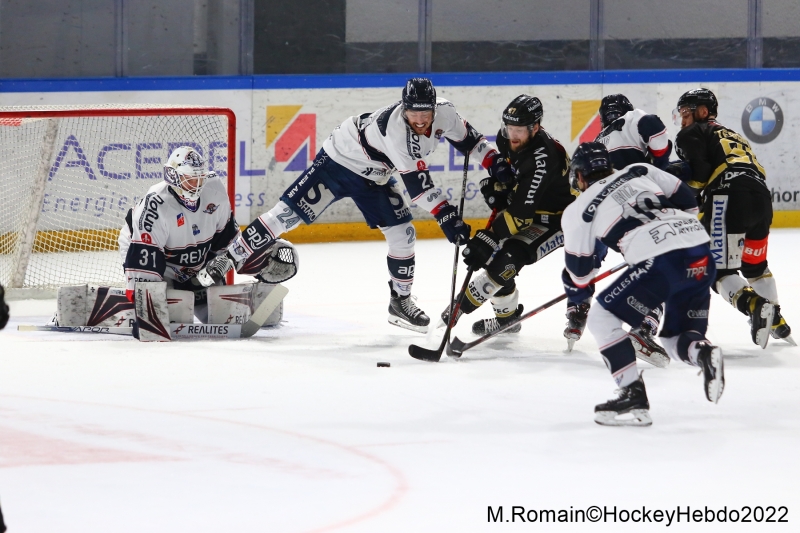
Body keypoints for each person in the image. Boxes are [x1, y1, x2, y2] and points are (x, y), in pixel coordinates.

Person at [223, 78, 512, 333]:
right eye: (414, 112)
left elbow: (472, 141)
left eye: (426, 112)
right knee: (286, 216)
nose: (421, 119)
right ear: (404, 107)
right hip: (339, 162)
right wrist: (447, 215)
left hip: (375, 175)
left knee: (403, 234)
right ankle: (227, 257)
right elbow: (418, 187)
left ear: (435, 107)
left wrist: (496, 162)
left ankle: (400, 302)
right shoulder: (395, 130)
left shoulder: (445, 112)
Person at [563, 142, 723, 426]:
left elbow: (580, 275)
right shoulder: (639, 169)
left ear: (579, 177)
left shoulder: (579, 209)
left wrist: (648, 246)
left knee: (601, 318)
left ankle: (631, 391)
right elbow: (688, 200)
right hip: (699, 249)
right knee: (676, 337)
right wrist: (666, 234)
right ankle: (704, 353)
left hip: (659, 260)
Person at [440, 94, 575, 338]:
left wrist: (489, 236)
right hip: (527, 209)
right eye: (509, 127)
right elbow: (514, 177)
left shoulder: (543, 158)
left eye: (519, 129)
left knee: (507, 259)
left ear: (535, 127)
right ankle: (507, 320)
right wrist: (499, 185)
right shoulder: (507, 138)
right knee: (492, 256)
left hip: (556, 220)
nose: (512, 134)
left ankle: (459, 308)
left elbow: (521, 216)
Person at [120, 146, 298, 323]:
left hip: (196, 265)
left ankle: (191, 288)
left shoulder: (214, 190)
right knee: (173, 315)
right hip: (154, 259)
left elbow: (228, 243)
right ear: (173, 177)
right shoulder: (155, 207)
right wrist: (145, 301)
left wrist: (256, 261)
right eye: (190, 179)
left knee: (222, 317)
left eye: (199, 179)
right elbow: (145, 268)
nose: (196, 186)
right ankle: (130, 305)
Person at [674, 88, 793, 347]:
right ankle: (776, 320)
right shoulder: (733, 135)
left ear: (703, 111)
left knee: (717, 270)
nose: (682, 120)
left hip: (727, 195)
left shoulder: (692, 133)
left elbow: (700, 175)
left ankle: (755, 306)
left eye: (686, 113)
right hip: (761, 196)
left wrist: (683, 196)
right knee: (755, 265)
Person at [592, 94, 674, 365]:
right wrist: (659, 167)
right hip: (636, 203)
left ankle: (578, 309)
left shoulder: (595, 143)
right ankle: (644, 327)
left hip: (604, 216)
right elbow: (656, 130)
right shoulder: (632, 118)